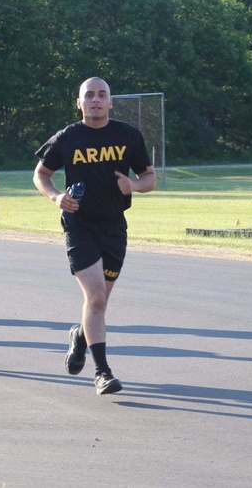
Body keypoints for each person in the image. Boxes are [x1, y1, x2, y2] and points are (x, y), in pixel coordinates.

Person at [32, 77, 156, 396]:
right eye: (90, 95)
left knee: (99, 301)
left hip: (114, 226)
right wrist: (56, 197)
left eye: (102, 95)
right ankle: (102, 372)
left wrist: (134, 186)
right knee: (97, 297)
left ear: (111, 102)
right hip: (79, 225)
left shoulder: (127, 135)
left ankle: (79, 335)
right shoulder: (68, 138)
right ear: (79, 102)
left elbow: (149, 177)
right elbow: (41, 174)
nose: (96, 100)